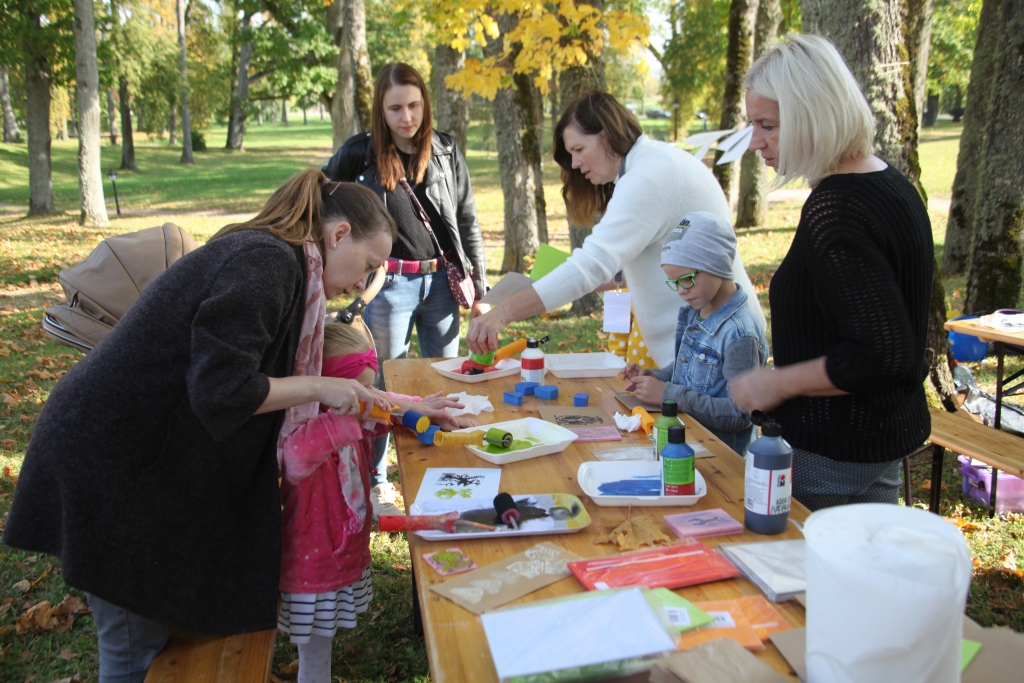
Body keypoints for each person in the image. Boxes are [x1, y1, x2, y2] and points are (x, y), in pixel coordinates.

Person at [0, 170, 459, 682]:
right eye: (369, 265)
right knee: (133, 645)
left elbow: (286, 385)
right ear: (338, 235)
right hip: (112, 463)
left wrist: (399, 406)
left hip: (150, 458)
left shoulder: (286, 265)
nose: (365, 282)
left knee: (159, 627)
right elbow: (222, 389)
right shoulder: (267, 264)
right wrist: (316, 388)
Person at [729, 35, 934, 511]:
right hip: (880, 440)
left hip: (833, 453)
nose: (755, 141)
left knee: (812, 580)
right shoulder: (890, 183)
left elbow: (879, 354)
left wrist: (776, 383)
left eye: (767, 126)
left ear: (810, 115)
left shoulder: (837, 208)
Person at [466, 90, 765, 367]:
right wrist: (532, 287)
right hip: (704, 345)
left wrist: (503, 314)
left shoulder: (646, 178)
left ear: (607, 135)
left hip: (717, 347)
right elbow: (618, 270)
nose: (576, 163)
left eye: (579, 149)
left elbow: (591, 267)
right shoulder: (650, 164)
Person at [323, 63, 488, 514]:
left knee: (443, 372)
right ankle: (378, 480)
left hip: (441, 280)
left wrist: (480, 283)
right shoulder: (359, 154)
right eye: (395, 107)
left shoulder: (446, 151)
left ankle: (445, 460)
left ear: (425, 105)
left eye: (414, 105)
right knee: (382, 378)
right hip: (388, 281)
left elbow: (467, 221)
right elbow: (320, 198)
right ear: (381, 109)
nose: (406, 117)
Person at [277, 320, 475, 683]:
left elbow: (383, 408)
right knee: (315, 655)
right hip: (313, 572)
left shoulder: (344, 417)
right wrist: (362, 413)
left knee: (324, 643)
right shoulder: (309, 439)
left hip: (336, 558)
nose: (372, 399)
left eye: (371, 388)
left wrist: (421, 409)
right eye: (361, 391)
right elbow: (295, 457)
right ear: (329, 392)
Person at [623, 212, 768, 455]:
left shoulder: (740, 335)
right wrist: (657, 377)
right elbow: (689, 370)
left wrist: (668, 395)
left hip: (721, 461)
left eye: (686, 279)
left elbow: (740, 414)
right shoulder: (695, 311)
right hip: (687, 445)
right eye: (674, 282)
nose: (680, 290)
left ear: (718, 265)